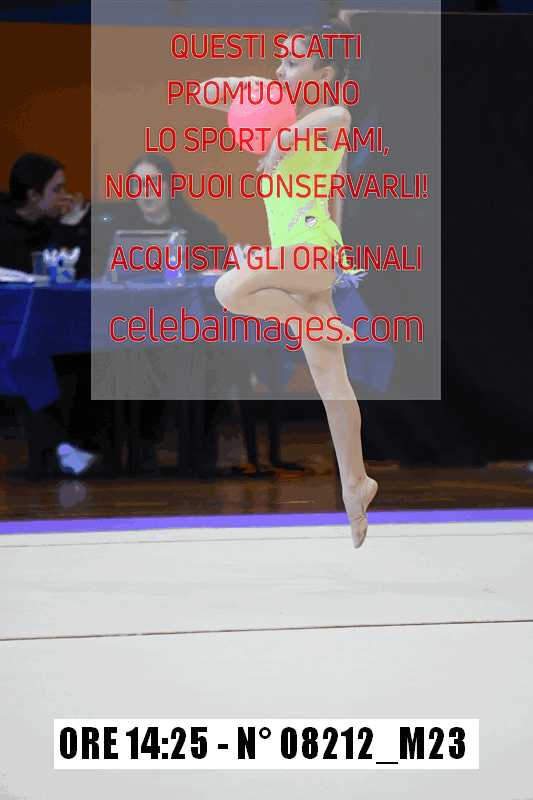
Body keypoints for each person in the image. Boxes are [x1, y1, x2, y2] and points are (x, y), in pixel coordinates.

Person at [196, 20, 378, 547]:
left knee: (229, 290)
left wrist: (282, 138)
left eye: (294, 62)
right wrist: (242, 86)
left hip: (315, 250)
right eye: (281, 59)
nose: (281, 69)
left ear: (325, 74)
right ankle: (356, 484)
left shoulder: (330, 118)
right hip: (295, 260)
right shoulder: (275, 109)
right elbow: (209, 93)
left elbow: (332, 117)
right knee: (330, 380)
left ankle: (318, 327)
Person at [0, 153, 97, 475]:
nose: (64, 196)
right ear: (33, 195)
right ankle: (59, 449)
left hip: (44, 325)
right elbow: (31, 270)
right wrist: (65, 231)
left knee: (84, 349)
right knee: (24, 354)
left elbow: (78, 271)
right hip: (9, 327)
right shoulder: (5, 228)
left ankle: (74, 448)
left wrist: (75, 227)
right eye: (57, 189)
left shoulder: (53, 224)